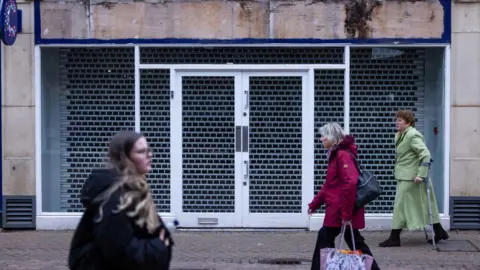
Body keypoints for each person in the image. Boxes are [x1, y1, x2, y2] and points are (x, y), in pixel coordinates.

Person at [68, 131, 173, 270]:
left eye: (149, 150)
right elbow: (120, 253)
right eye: (141, 152)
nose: (149, 155)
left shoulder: (136, 191)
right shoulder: (114, 200)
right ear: (125, 158)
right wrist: (158, 247)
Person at [309, 123, 380, 270]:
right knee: (355, 241)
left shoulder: (342, 155)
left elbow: (350, 184)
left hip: (341, 210)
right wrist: (314, 204)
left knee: (326, 237)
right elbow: (329, 185)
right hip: (340, 209)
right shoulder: (337, 155)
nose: (321, 139)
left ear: (333, 138)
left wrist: (346, 215)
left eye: (324, 136)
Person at [379, 110, 448, 247]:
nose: (396, 122)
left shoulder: (412, 135)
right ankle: (439, 231)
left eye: (400, 120)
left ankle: (394, 237)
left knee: (399, 206)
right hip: (405, 176)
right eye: (396, 120)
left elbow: (425, 155)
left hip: (412, 178)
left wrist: (421, 175)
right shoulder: (401, 135)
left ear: (408, 123)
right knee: (424, 205)